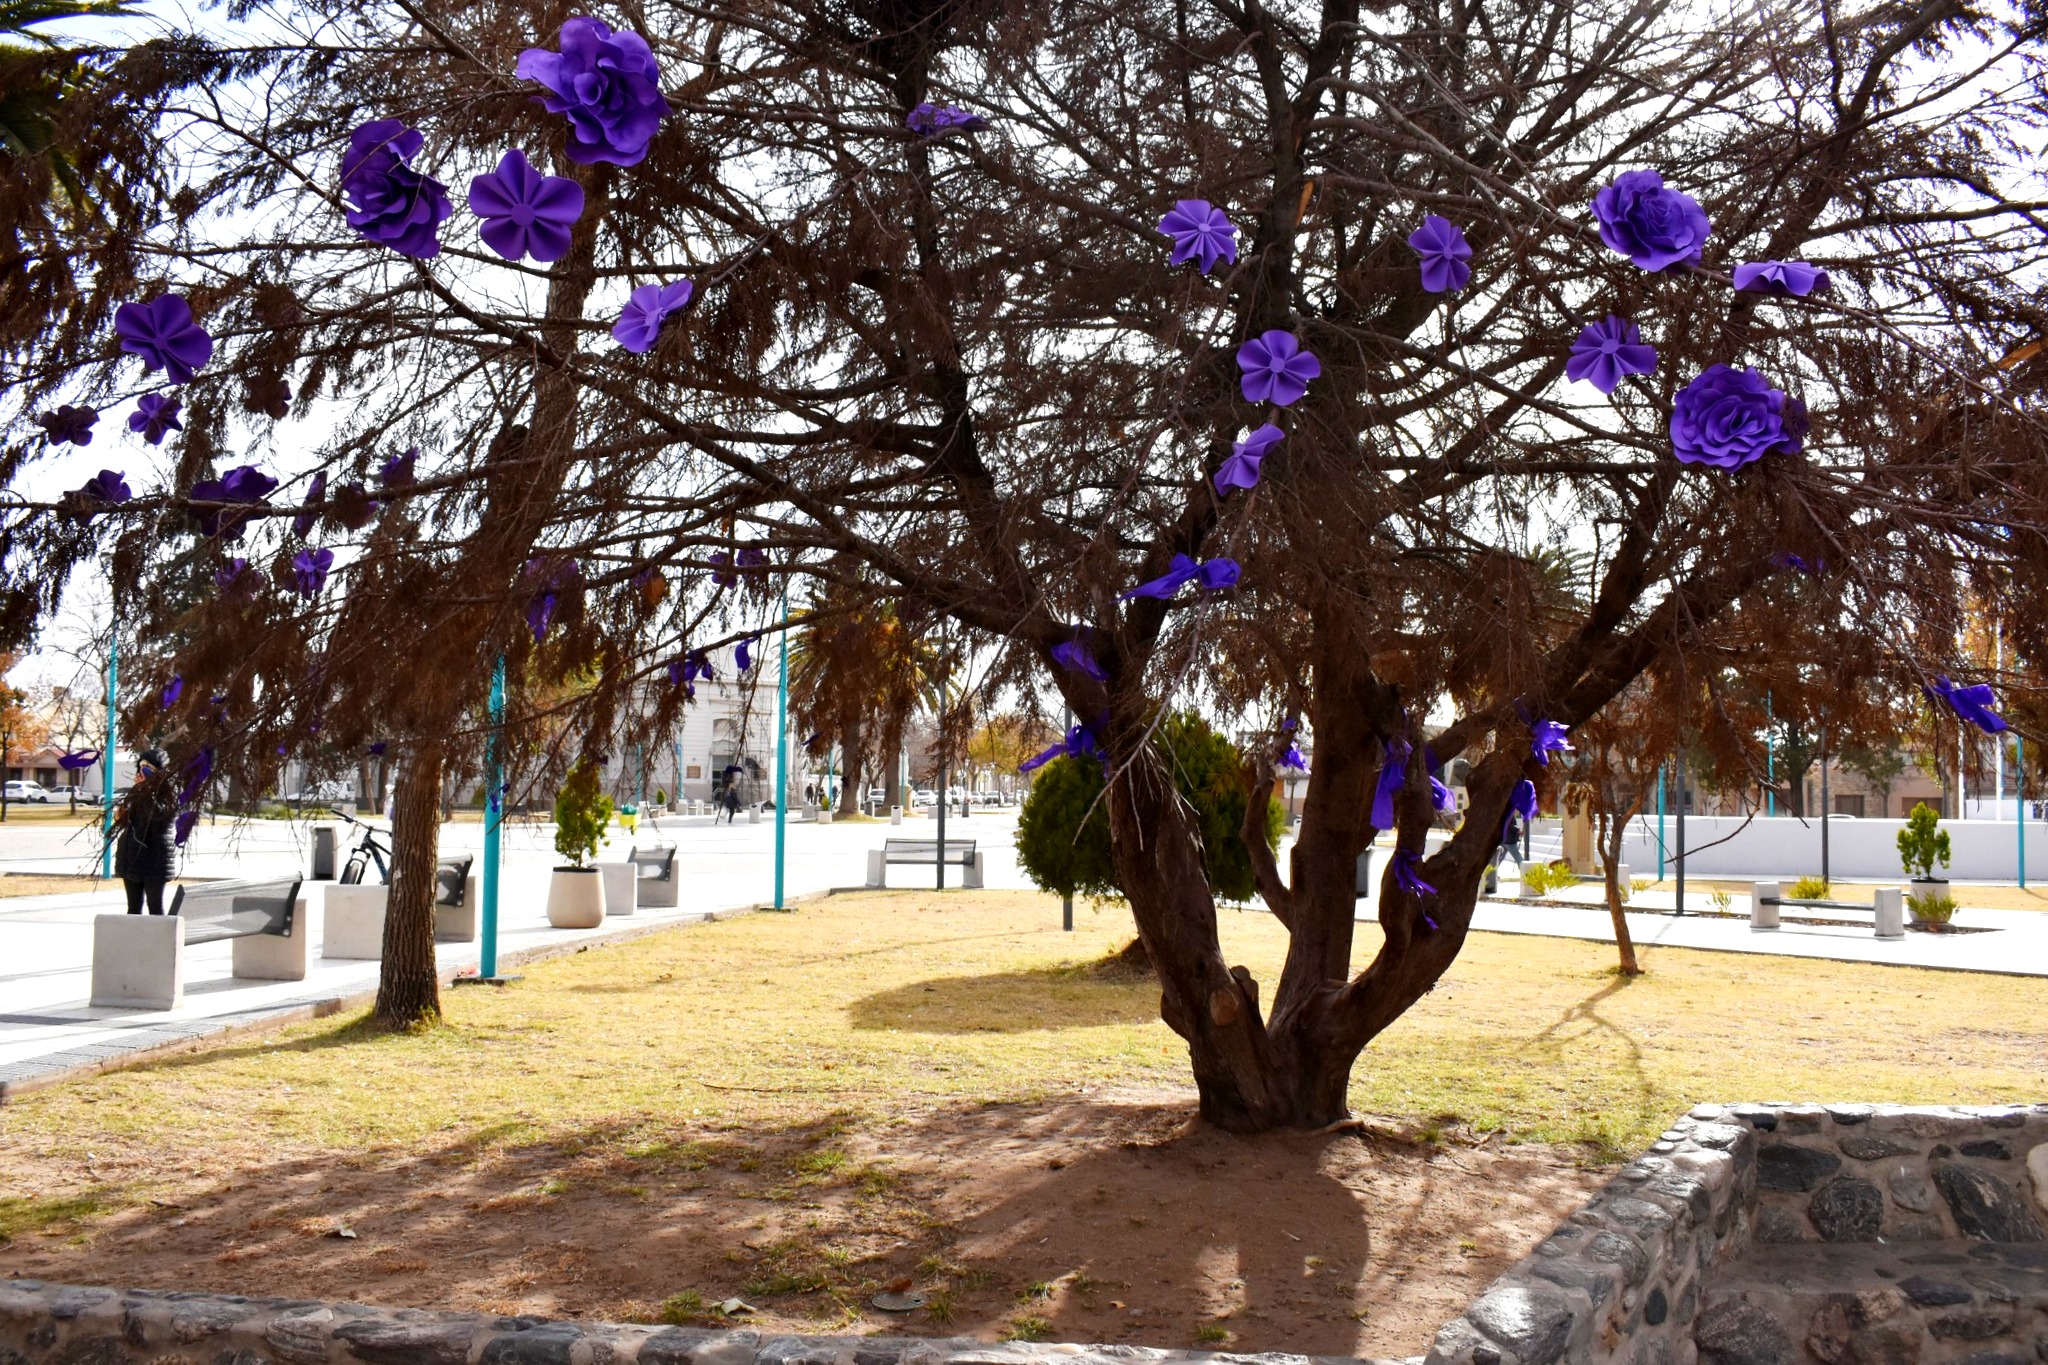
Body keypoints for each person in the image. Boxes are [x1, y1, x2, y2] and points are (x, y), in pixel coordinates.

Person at [112, 747, 178, 914]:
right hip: (132, 856)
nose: (142, 772)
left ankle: (159, 940)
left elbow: (156, 816)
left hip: (154, 859)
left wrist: (147, 791)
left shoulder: (168, 794)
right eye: (140, 767)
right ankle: (133, 940)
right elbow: (125, 820)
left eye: (148, 768)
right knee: (133, 908)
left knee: (155, 906)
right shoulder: (137, 791)